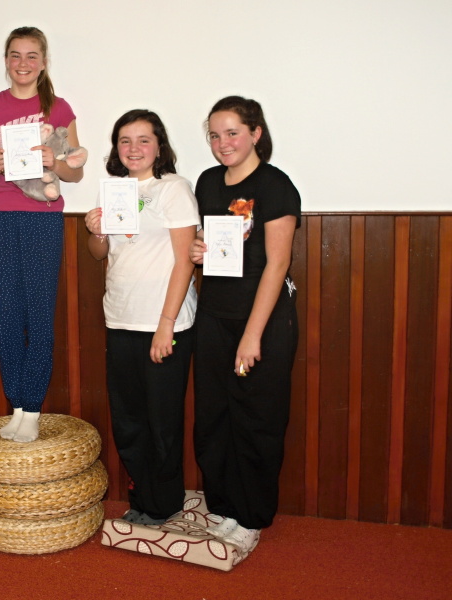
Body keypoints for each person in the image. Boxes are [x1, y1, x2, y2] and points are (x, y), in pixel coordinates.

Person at [189, 96, 301, 553]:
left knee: (257, 420)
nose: (223, 143)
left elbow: (277, 264)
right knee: (214, 418)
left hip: (263, 321)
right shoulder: (207, 182)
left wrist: (252, 335)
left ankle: (251, 516)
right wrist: (198, 249)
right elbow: (213, 246)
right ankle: (225, 507)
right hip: (214, 316)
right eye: (215, 135)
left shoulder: (275, 186)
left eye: (232, 132)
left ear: (255, 133)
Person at [84, 109, 199, 525]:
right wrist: (96, 230)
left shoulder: (173, 188)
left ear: (159, 146)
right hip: (120, 319)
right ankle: (143, 498)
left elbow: (186, 261)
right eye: (125, 141)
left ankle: (164, 503)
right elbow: (101, 253)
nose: (134, 149)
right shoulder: (114, 190)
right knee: (129, 420)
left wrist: (166, 325)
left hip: (164, 324)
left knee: (162, 421)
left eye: (143, 140)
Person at [0, 26, 84, 443]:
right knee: (6, 316)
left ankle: (33, 408)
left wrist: (57, 161)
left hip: (43, 217)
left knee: (39, 314)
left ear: (43, 62)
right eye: (16, 55)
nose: (23, 63)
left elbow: (75, 172)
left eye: (31, 55)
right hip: (1, 216)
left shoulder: (60, 108)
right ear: (6, 61)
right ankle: (17, 404)